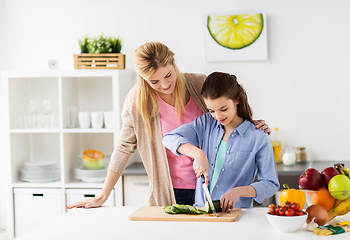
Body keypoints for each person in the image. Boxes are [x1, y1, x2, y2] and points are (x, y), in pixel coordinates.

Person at [67, 42, 270, 209]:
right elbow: (124, 146)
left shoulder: (199, 84)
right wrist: (103, 194)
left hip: (209, 186)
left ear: (173, 62)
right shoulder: (138, 102)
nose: (164, 85)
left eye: (168, 75)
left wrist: (253, 124)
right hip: (170, 189)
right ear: (143, 78)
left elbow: (229, 104)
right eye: (154, 81)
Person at [162, 72, 279, 211]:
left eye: (224, 109)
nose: (218, 116)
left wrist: (238, 191)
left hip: (237, 214)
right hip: (202, 212)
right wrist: (198, 154)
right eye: (212, 110)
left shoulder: (258, 136)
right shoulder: (206, 123)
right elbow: (169, 138)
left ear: (237, 100)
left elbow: (270, 184)